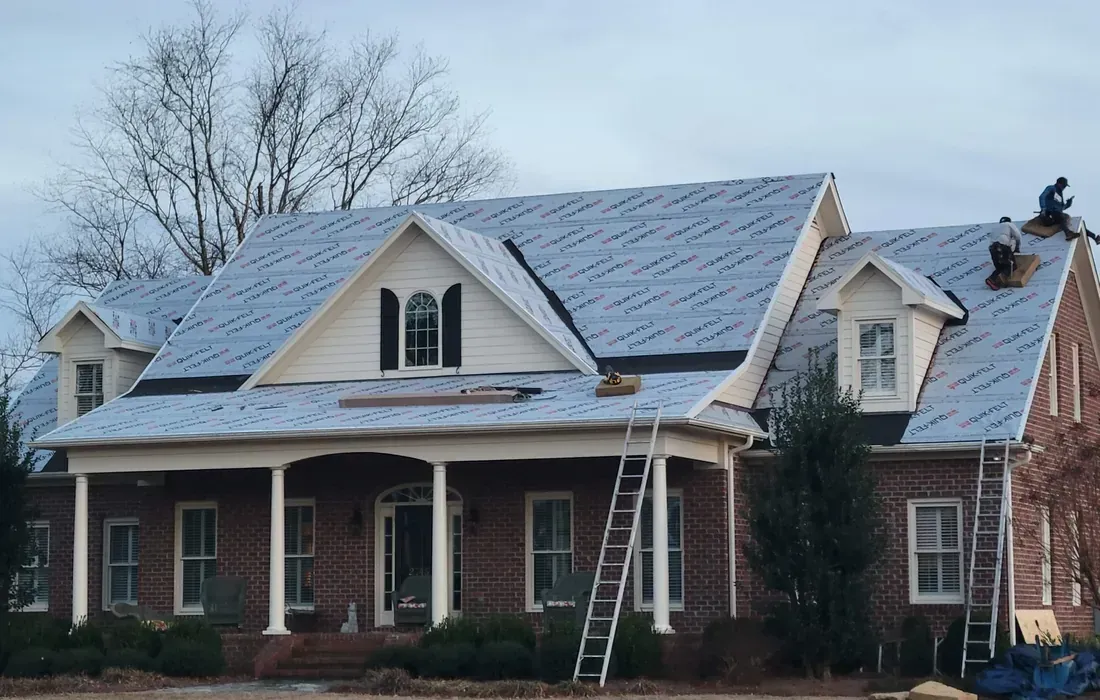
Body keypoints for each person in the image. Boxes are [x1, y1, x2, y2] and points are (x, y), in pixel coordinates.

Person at [986, 216, 1022, 290]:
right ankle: (998, 280)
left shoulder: (995, 228)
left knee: (1000, 267)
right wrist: (1017, 249)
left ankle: (991, 279)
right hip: (1002, 246)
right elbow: (1017, 236)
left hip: (992, 248)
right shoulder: (1009, 224)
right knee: (1011, 266)